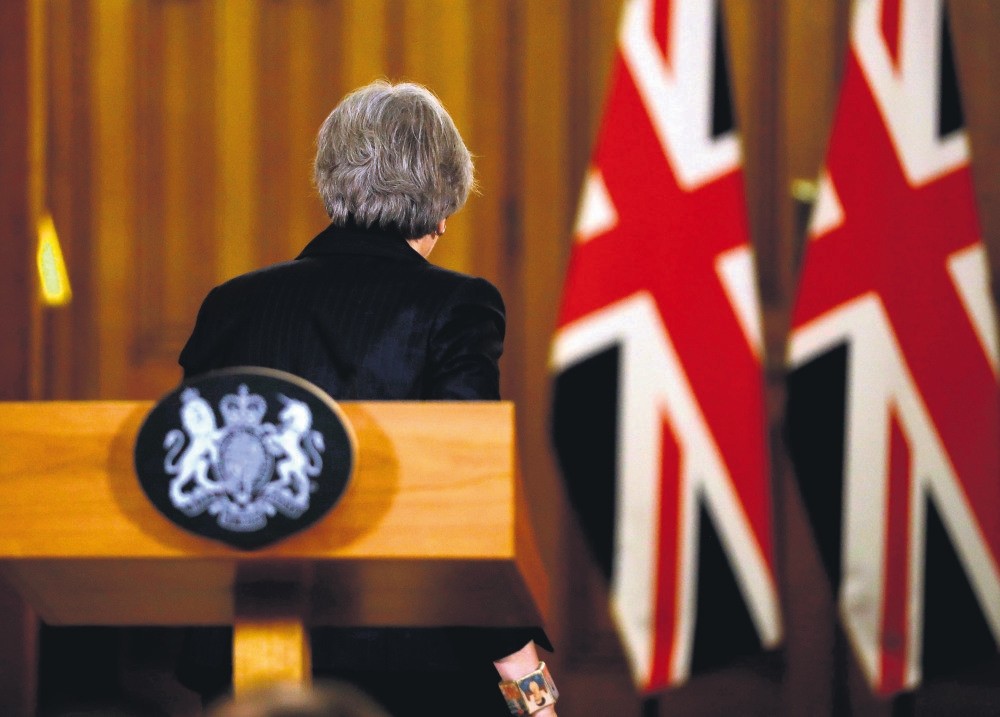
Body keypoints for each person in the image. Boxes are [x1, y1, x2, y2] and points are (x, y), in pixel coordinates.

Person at [177, 80, 557, 717]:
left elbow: (189, 491)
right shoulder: (458, 305)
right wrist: (525, 678)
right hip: (410, 663)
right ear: (444, 205)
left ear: (332, 183)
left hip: (241, 653)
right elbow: (459, 492)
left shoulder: (229, 304)